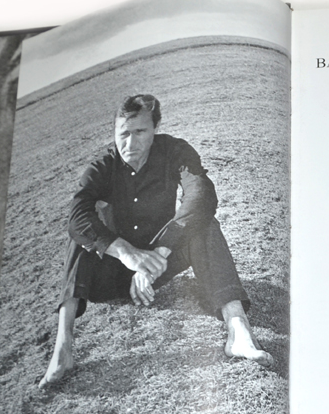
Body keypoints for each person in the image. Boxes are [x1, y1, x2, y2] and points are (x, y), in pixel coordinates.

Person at [39, 94, 272, 387]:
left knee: (205, 223)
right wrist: (126, 253)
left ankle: (238, 331)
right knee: (82, 235)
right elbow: (77, 216)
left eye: (140, 132)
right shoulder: (103, 166)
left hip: (158, 265)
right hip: (109, 273)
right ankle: (63, 348)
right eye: (123, 133)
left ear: (155, 129)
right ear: (114, 132)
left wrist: (158, 254)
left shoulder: (174, 151)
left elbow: (201, 194)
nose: (130, 143)